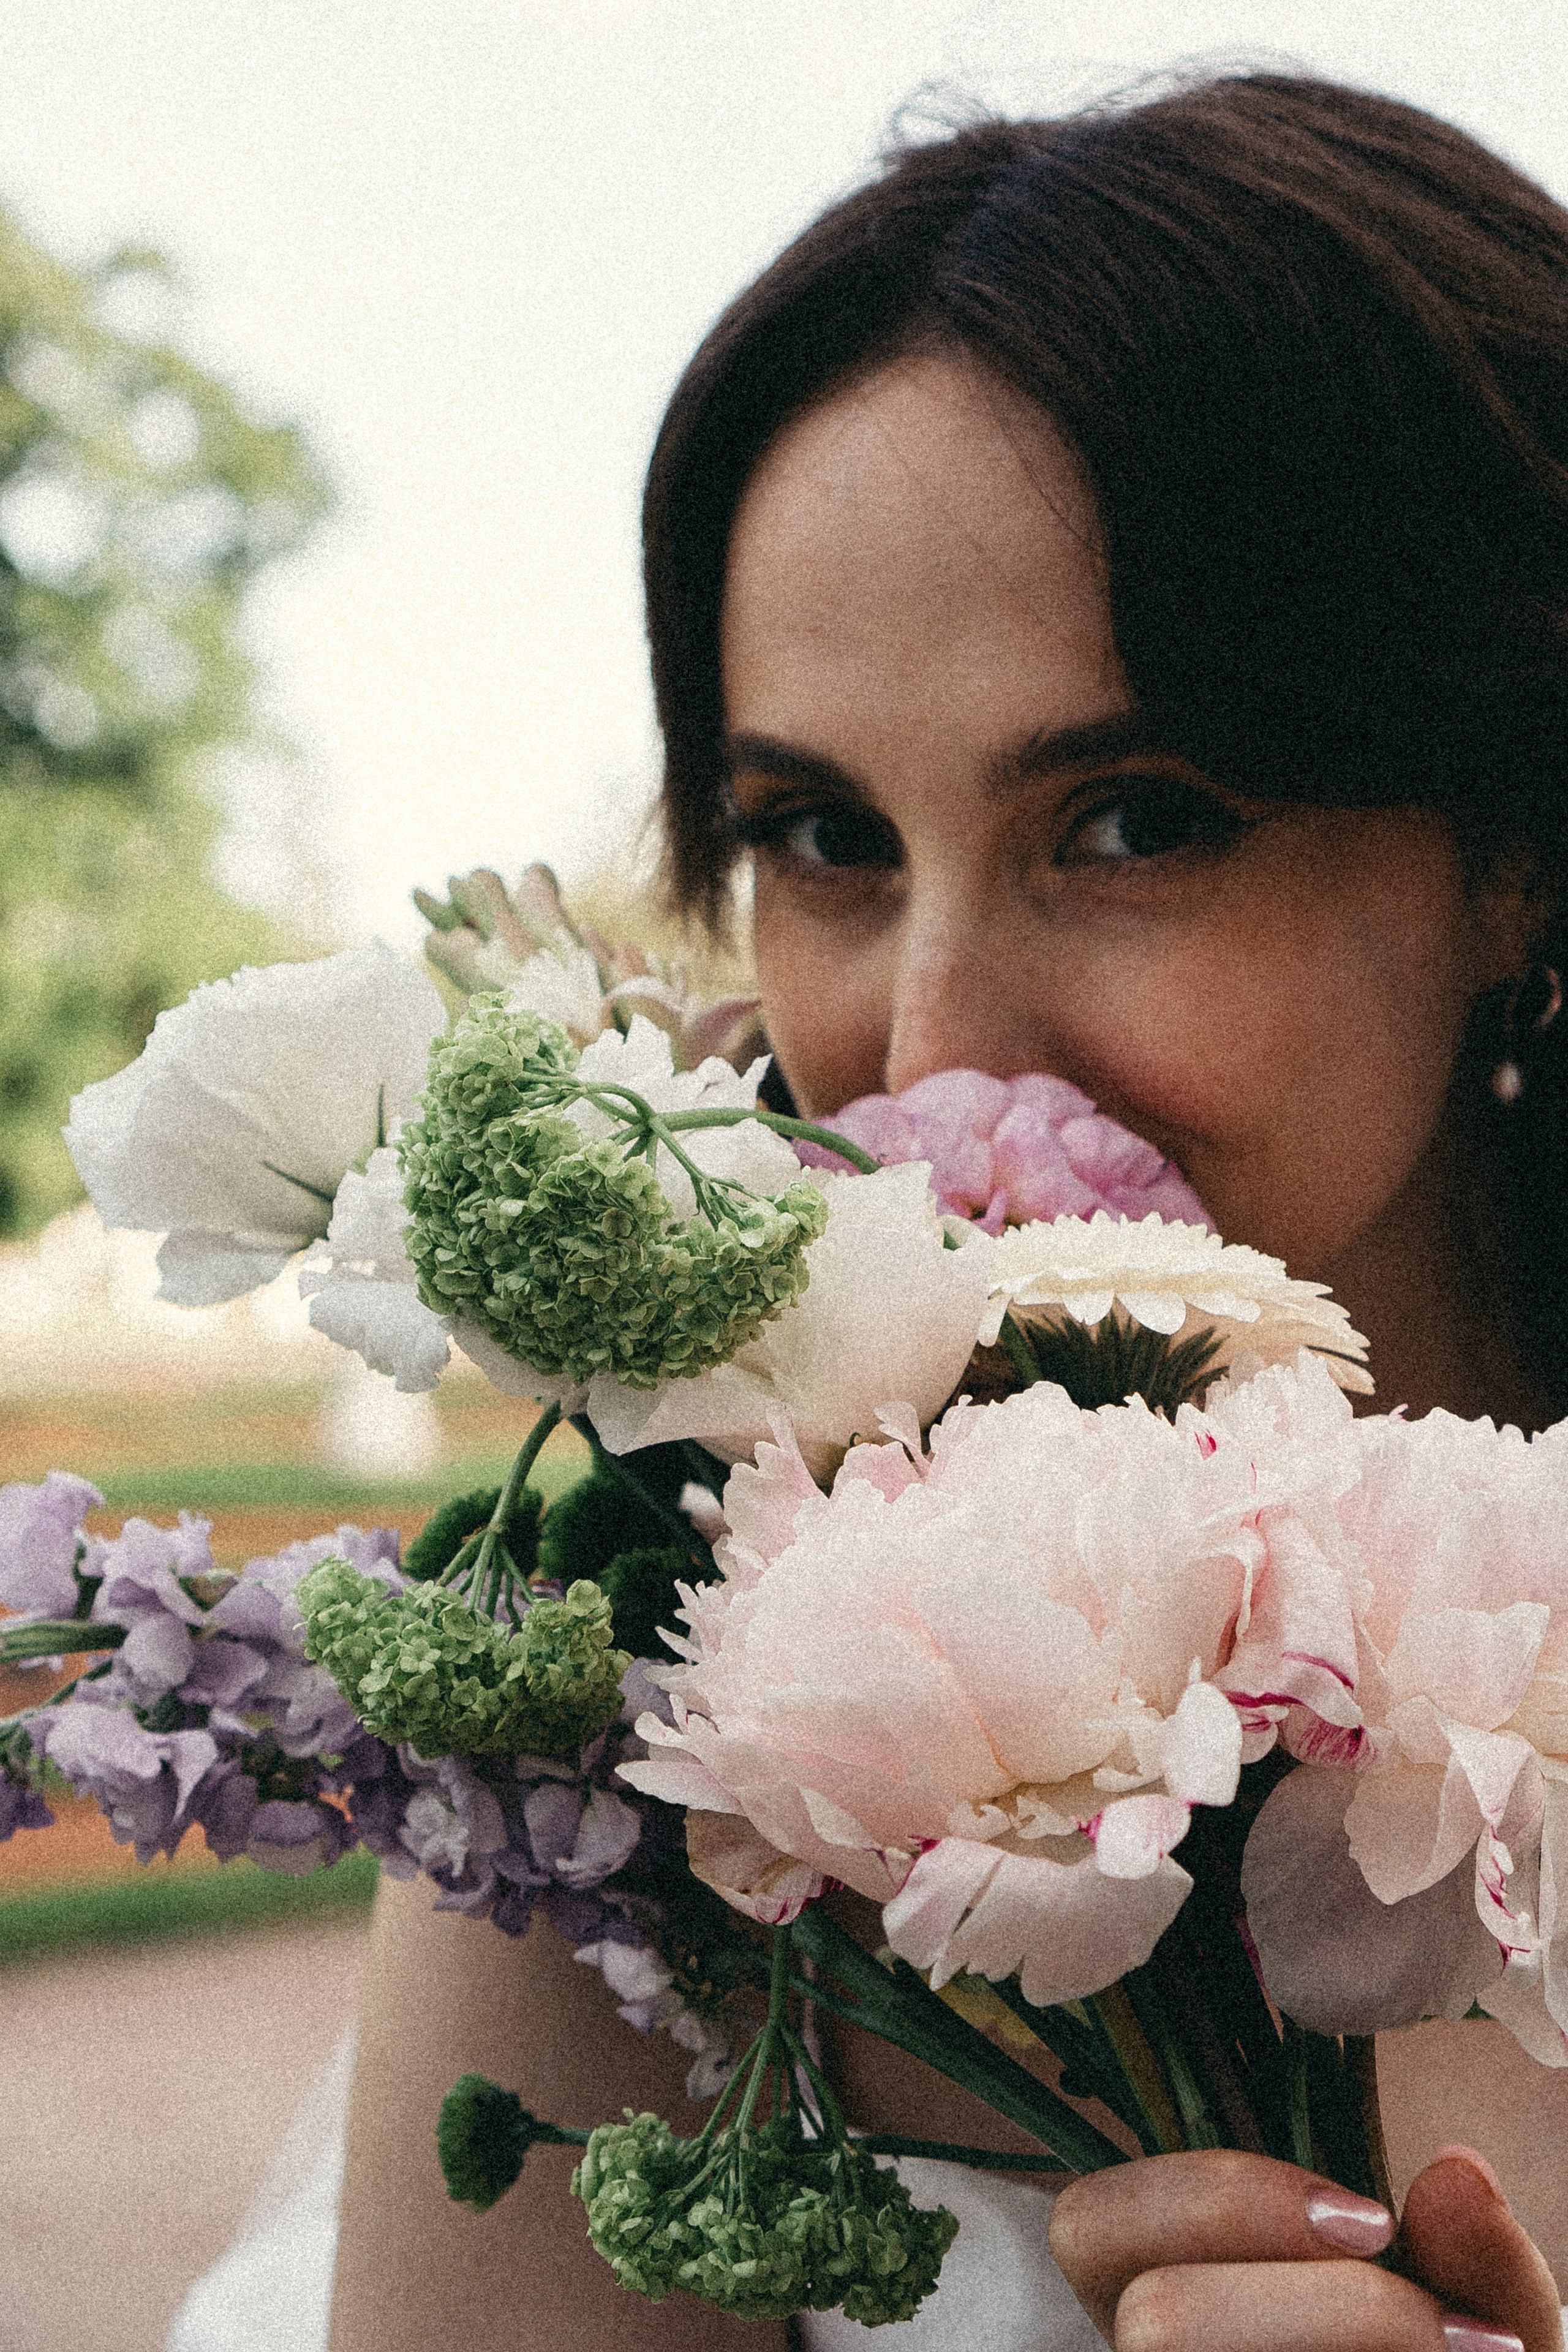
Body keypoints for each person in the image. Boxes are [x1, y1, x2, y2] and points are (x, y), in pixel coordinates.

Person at [200, 67, 1568, 2352]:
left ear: (1516, 848)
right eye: (826, 838)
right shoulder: (639, 1730)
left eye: (1135, 820)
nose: (930, 1043)